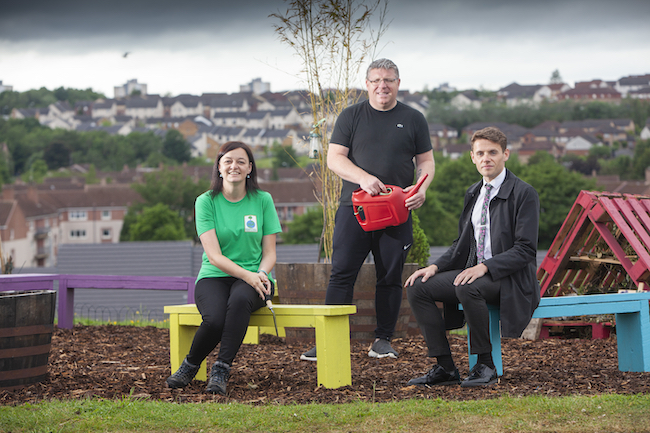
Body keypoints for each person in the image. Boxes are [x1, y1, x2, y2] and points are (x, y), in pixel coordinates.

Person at [301, 58, 434, 362]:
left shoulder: (414, 119)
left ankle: (382, 341)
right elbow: (335, 159)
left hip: (397, 209)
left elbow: (426, 162)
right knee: (342, 273)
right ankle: (327, 342)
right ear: (367, 84)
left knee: (389, 276)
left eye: (388, 80)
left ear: (398, 83)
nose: (382, 86)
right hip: (355, 208)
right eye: (376, 80)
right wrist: (363, 178)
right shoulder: (351, 116)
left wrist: (421, 189)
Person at [404, 126, 541, 387]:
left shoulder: (524, 194)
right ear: (472, 157)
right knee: (418, 287)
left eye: (493, 152)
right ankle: (444, 367)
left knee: (468, 287)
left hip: (510, 278)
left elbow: (525, 249)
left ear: (506, 155)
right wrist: (434, 267)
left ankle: (485, 365)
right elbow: (461, 244)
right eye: (480, 153)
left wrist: (485, 267)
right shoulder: (473, 193)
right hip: (476, 274)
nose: (486, 158)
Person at [166, 141, 282, 395]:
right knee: (216, 318)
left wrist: (260, 275)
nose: (234, 166)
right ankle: (190, 365)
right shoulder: (205, 202)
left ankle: (221, 369)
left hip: (256, 276)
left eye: (241, 161)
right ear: (219, 167)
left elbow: (270, 253)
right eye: (228, 161)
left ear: (250, 168)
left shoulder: (263, 200)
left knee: (240, 300)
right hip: (215, 276)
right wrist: (247, 275)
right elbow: (215, 256)